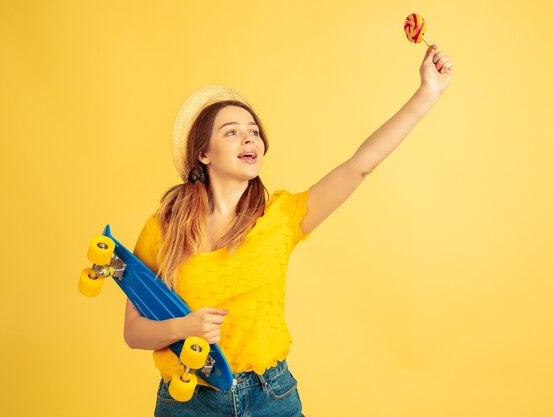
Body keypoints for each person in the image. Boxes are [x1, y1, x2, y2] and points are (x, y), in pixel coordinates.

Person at [124, 44, 453, 417]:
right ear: (204, 154)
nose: (249, 138)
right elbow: (134, 331)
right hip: (186, 400)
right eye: (232, 132)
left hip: (270, 397)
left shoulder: (281, 216)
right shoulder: (162, 229)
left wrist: (427, 94)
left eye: (254, 131)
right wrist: (184, 326)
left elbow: (360, 165)